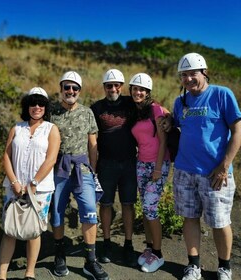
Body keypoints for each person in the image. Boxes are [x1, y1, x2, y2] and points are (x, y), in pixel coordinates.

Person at [166, 53, 241, 280]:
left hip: (215, 174)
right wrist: (170, 120)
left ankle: (224, 267)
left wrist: (224, 165)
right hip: (184, 171)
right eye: (184, 75)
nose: (188, 79)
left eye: (193, 74)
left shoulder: (221, 94)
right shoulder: (181, 102)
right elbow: (177, 123)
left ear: (204, 72)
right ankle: (194, 266)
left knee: (220, 222)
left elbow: (238, 131)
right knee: (189, 218)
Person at [0, 87, 61, 280]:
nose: (37, 107)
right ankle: (2, 275)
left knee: (34, 230)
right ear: (27, 106)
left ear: (46, 106)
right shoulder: (17, 128)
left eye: (41, 103)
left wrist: (33, 184)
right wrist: (15, 182)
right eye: (33, 103)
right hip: (14, 187)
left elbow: (51, 159)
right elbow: (6, 157)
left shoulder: (51, 129)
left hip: (40, 189)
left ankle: (30, 272)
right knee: (10, 229)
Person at [50, 71, 109, 280]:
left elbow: (93, 143)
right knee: (57, 212)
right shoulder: (51, 111)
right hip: (58, 168)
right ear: (61, 88)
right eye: (67, 87)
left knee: (90, 211)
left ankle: (90, 261)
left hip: (82, 168)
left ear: (79, 91)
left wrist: (92, 170)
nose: (71, 91)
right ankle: (59, 254)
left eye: (75, 88)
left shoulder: (87, 113)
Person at [90, 69, 138, 266]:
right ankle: (107, 243)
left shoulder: (130, 103)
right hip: (106, 164)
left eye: (116, 85)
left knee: (128, 204)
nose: (113, 88)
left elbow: (153, 108)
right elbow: (90, 136)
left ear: (122, 86)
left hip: (129, 163)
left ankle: (128, 244)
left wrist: (168, 118)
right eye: (109, 85)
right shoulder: (97, 108)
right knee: (106, 204)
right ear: (104, 87)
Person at [128, 73, 170, 273]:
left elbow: (162, 141)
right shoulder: (135, 111)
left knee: (150, 208)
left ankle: (159, 254)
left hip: (157, 164)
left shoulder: (155, 109)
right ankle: (148, 247)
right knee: (144, 208)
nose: (138, 92)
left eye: (142, 89)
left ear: (148, 92)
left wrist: (158, 168)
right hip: (141, 163)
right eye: (135, 88)